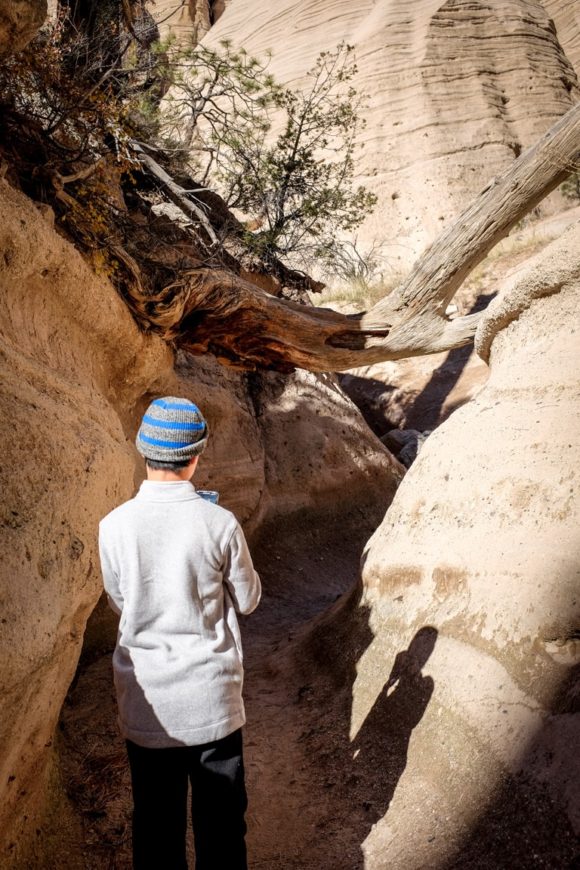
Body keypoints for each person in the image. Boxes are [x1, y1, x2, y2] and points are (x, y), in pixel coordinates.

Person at [98, 396, 261, 870]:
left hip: (147, 702)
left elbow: (120, 602)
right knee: (222, 826)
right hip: (212, 702)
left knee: (155, 826)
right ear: (196, 457)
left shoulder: (113, 527)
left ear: (141, 452)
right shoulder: (219, 523)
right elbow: (248, 600)